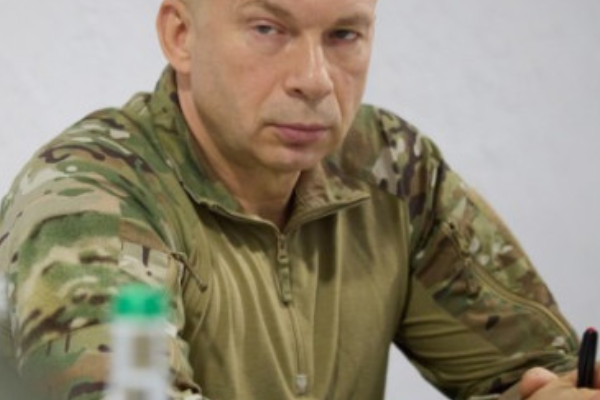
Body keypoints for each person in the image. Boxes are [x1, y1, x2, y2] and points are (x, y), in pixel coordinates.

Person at [0, 0, 598, 399]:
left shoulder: (388, 170)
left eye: (343, 35)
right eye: (268, 29)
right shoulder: (92, 202)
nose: (314, 79)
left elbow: (543, 372)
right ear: (181, 35)